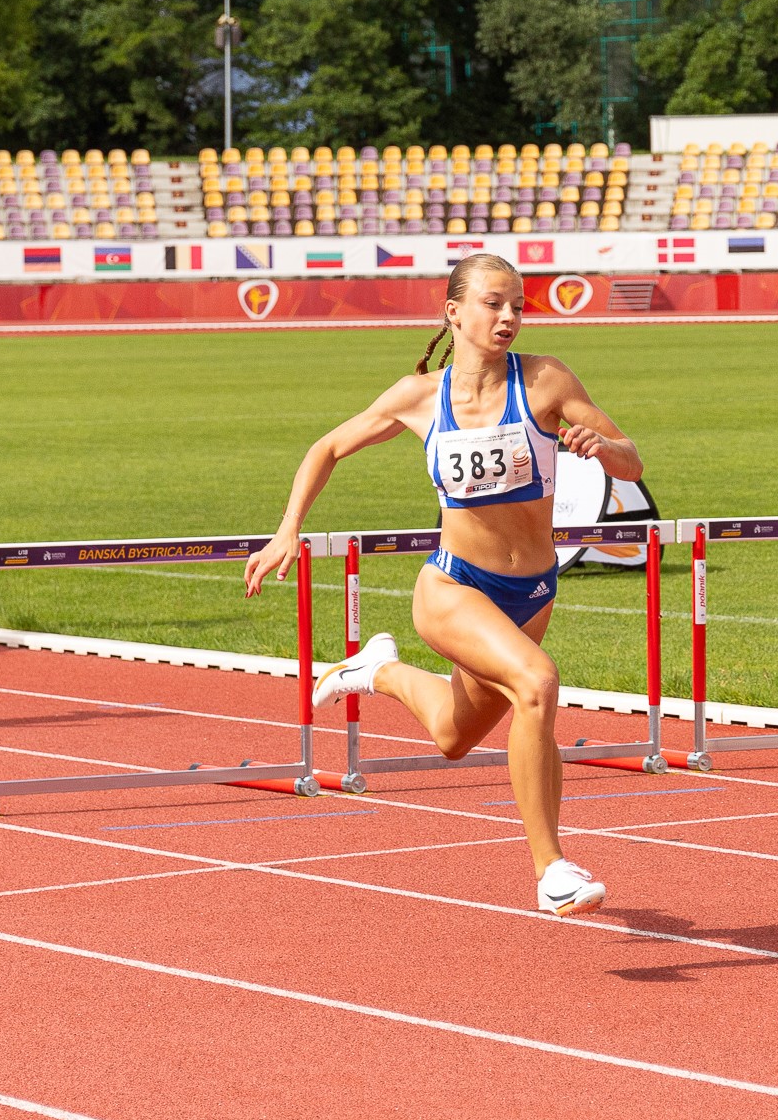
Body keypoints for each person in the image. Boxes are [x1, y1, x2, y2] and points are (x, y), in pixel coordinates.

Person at [243, 253, 644, 918]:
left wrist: (604, 449)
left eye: (518, 305)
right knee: (536, 684)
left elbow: (631, 458)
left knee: (453, 736)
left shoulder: (545, 380)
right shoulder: (419, 396)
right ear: (454, 311)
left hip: (532, 591)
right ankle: (550, 870)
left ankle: (376, 670)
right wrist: (288, 530)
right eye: (493, 303)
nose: (509, 316)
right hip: (454, 587)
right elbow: (326, 447)